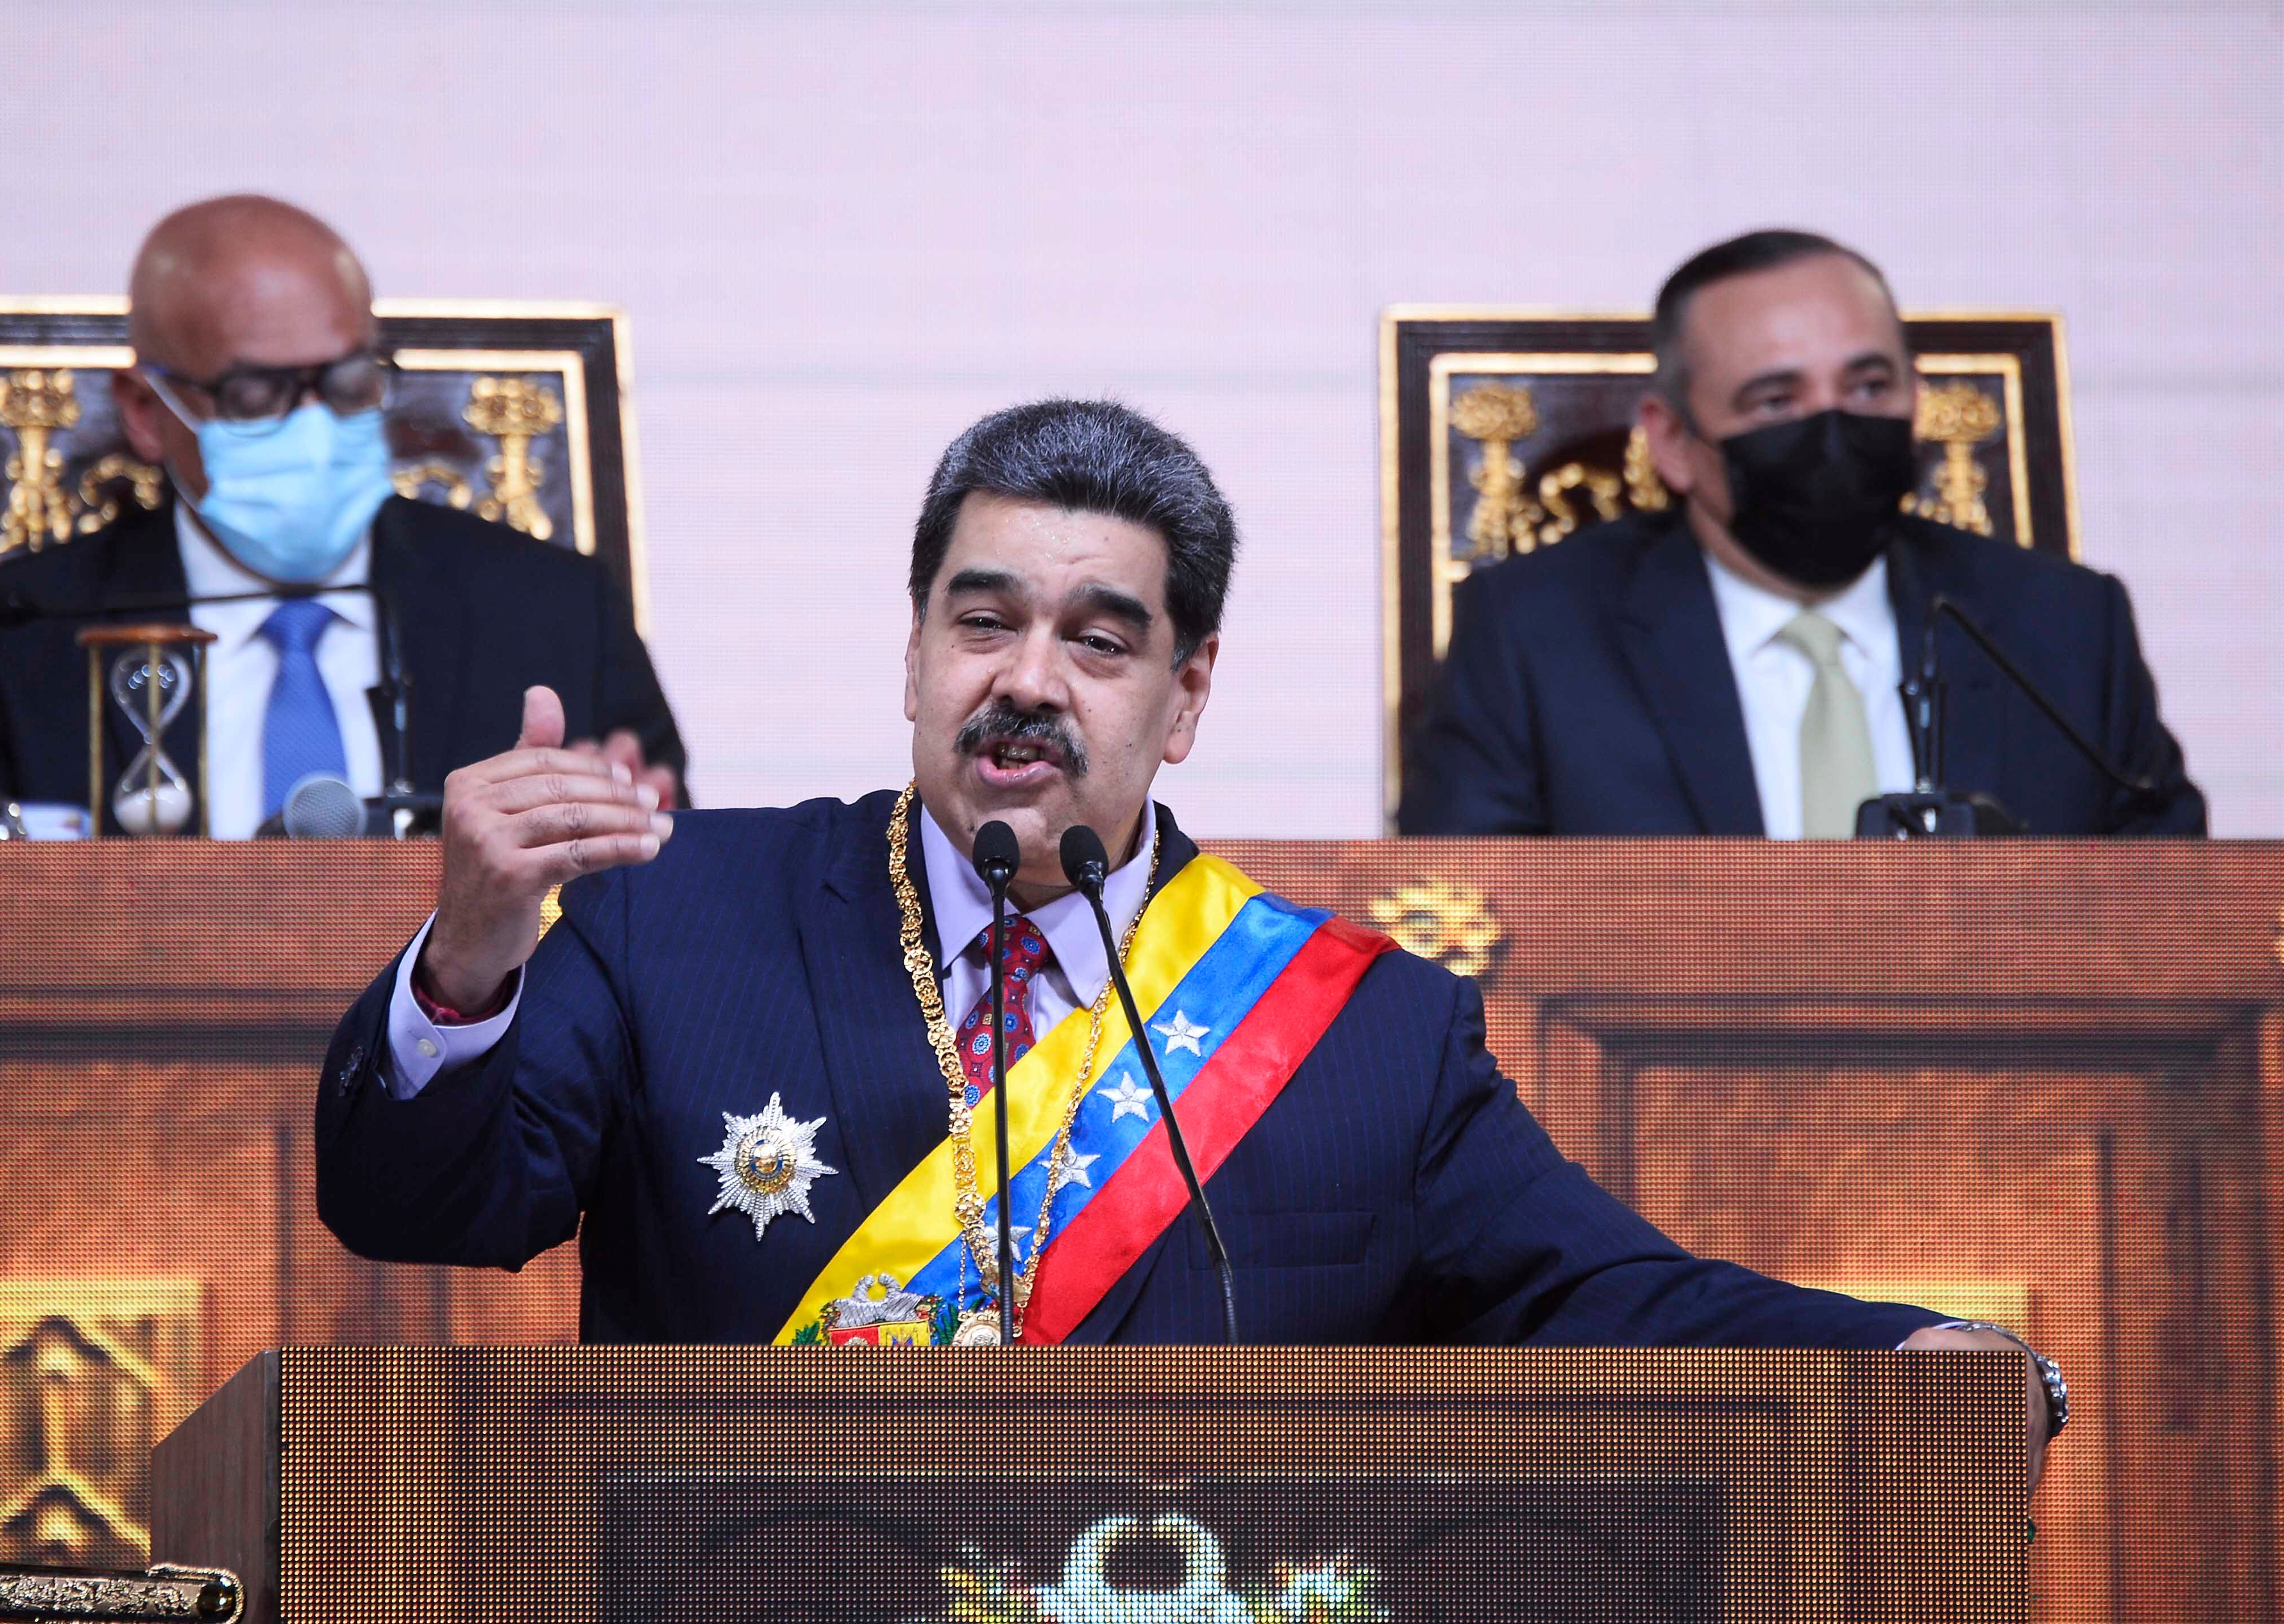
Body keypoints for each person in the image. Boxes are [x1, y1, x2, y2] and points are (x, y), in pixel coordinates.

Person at [313, 399, 2058, 1477]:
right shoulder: (675, 911)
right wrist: (467, 958)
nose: (1025, 681)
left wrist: (1898, 1354)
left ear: (1186, 691)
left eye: (1097, 640)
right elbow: (416, 1213)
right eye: (979, 623)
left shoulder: (1365, 1032)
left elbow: (1596, 1293)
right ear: (912, 654)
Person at [0, 194, 685, 838]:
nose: (315, 427)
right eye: (255, 395)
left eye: (347, 384)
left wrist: (628, 830)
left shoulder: (555, 610)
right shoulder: (11, 634)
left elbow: (681, 911)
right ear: (146, 412)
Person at [1398, 229, 2203, 838]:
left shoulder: (2063, 627)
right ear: (1672, 441)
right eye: (1776, 402)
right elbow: (1464, 922)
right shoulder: (1534, 636)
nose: (1833, 431)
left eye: (1868, 387)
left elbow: (2178, 915)